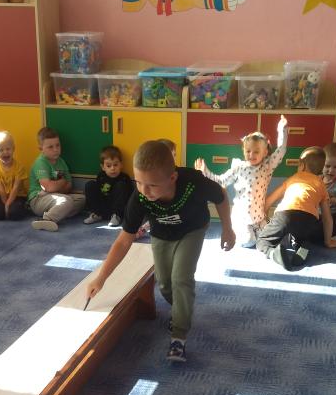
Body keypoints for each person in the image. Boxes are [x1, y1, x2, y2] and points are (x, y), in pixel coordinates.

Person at [86, 139, 236, 364]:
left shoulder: (193, 182)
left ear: (172, 178)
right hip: (161, 234)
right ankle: (180, 309)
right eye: (139, 182)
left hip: (192, 230)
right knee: (165, 284)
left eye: (153, 185)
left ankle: (179, 336)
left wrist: (227, 229)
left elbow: (221, 196)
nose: (144, 191)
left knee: (181, 279)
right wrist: (101, 278)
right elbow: (124, 241)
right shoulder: (140, 197)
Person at [195, 115, 288, 246]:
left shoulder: (267, 166)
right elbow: (221, 181)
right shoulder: (239, 167)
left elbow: (281, 150)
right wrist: (205, 172)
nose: (251, 155)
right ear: (243, 150)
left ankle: (259, 233)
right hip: (242, 219)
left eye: (256, 152)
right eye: (248, 151)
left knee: (274, 236)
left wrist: (282, 129)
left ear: (265, 152)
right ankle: (246, 233)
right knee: (249, 242)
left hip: (259, 218)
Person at [256, 146, 336, 269]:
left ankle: (273, 253)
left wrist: (266, 221)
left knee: (262, 241)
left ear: (302, 165)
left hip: (284, 215)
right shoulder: (321, 185)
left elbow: (268, 201)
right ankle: (303, 248)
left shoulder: (293, 179)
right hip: (308, 220)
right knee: (301, 238)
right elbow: (327, 218)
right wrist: (328, 241)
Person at [28, 126, 85, 231]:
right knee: (66, 200)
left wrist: (57, 186)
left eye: (57, 145)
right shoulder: (41, 163)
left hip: (57, 196)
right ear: (41, 149)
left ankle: (58, 212)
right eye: (50, 147)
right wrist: (62, 182)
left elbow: (69, 185)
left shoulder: (61, 162)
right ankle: (47, 219)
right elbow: (49, 187)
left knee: (82, 199)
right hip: (39, 199)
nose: (55, 149)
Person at [308, 142, 336, 243]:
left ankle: (322, 234)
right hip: (319, 216)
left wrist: (335, 201)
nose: (330, 170)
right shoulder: (317, 179)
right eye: (327, 166)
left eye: (335, 167)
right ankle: (323, 234)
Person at [83, 145, 133, 227]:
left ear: (121, 165)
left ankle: (117, 216)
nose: (112, 168)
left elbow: (129, 197)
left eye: (115, 165)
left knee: (121, 185)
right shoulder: (101, 176)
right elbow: (97, 193)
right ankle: (97, 214)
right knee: (90, 185)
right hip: (103, 206)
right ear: (103, 167)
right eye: (108, 166)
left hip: (117, 208)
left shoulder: (124, 178)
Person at [0, 131, 28, 221]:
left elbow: (16, 188)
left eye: (8, 149)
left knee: (14, 214)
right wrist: (5, 204)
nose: (5, 152)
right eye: (1, 150)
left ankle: (25, 207)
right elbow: (1, 189)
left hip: (18, 196)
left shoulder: (19, 167)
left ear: (13, 149)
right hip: (2, 196)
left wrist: (8, 204)